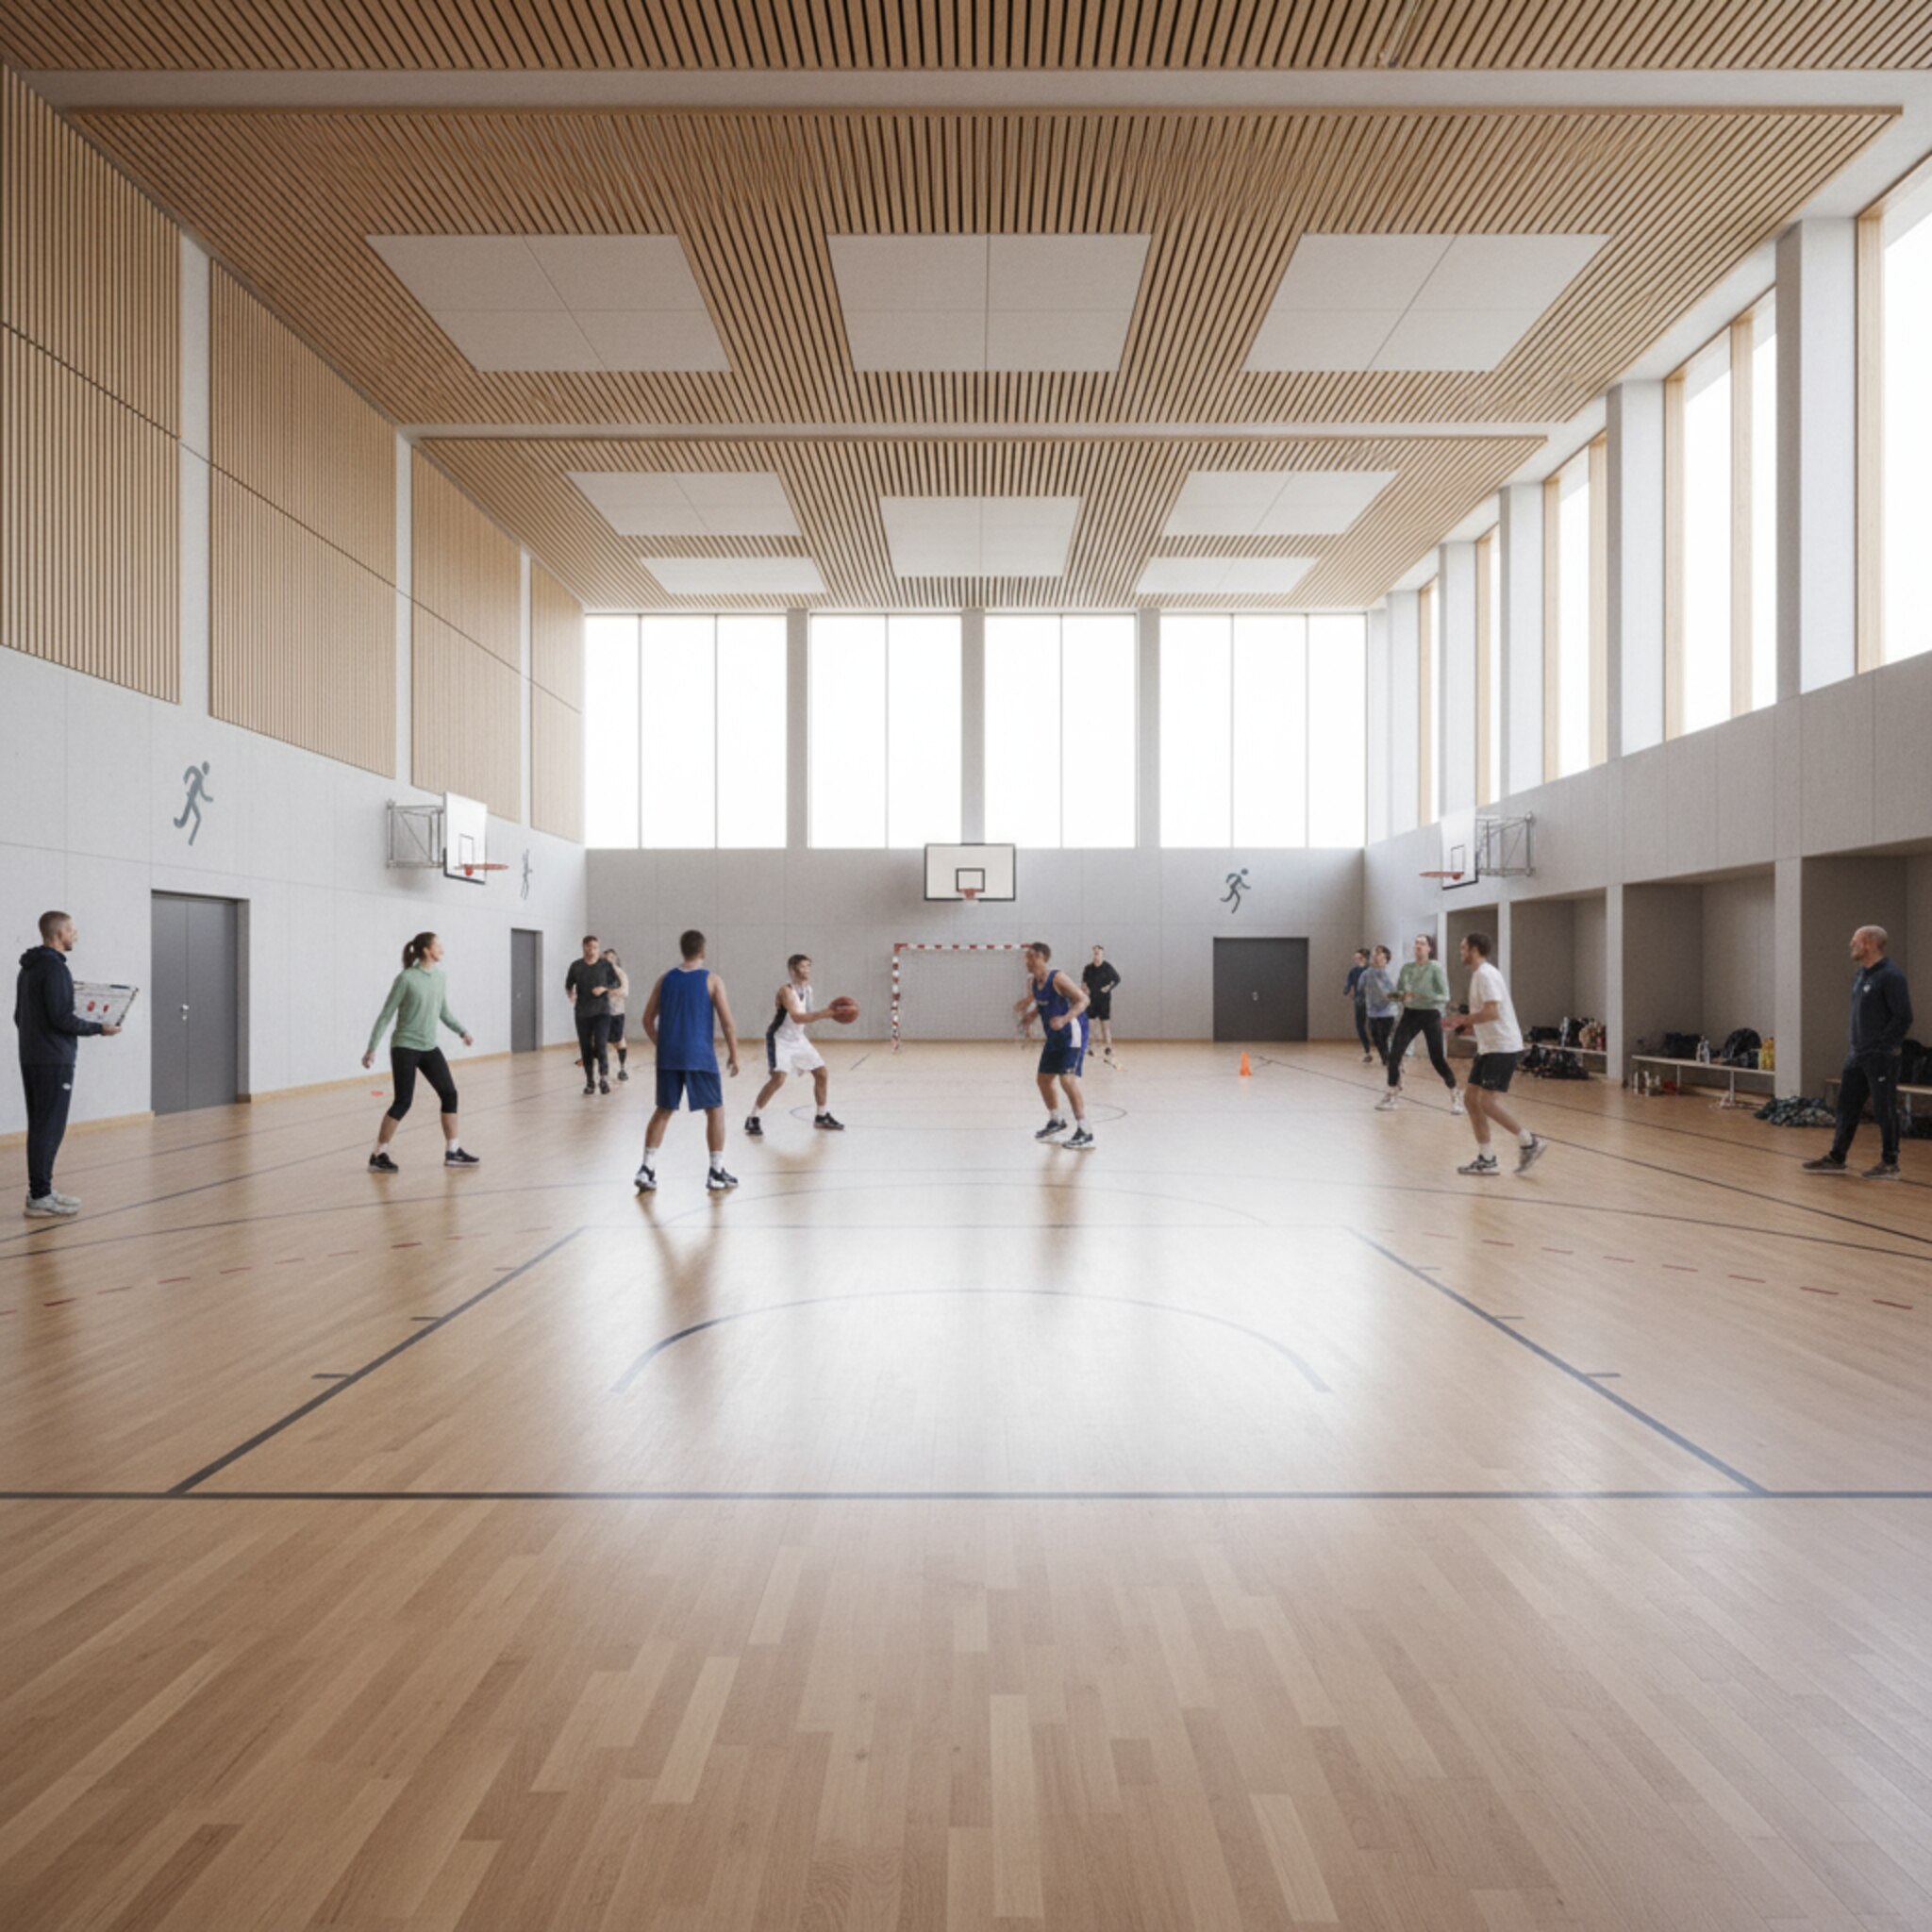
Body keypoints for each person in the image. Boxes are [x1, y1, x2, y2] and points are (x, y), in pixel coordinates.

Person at [14, 910, 122, 1218]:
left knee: (41, 1126)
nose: (76, 935)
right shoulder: (55, 969)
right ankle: (40, 1196)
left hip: (32, 1056)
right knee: (49, 1128)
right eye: (72, 930)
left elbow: (19, 1017)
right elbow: (62, 1018)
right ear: (59, 933)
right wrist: (99, 1028)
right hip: (53, 1060)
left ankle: (42, 1191)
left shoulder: (29, 969)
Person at [1804, 924, 1913, 1180]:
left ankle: (1890, 1163)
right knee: (1847, 1106)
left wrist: (1882, 1045)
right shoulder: (1860, 976)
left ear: (1870, 943)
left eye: (1856, 941)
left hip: (1880, 1056)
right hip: (1856, 1055)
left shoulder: (1891, 976)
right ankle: (1837, 1157)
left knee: (1884, 1108)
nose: (1851, 945)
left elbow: (1903, 1017)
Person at [361, 931, 478, 1172]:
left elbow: (443, 1011)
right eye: (438, 945)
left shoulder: (440, 977)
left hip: (429, 1047)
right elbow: (386, 1015)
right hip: (405, 1046)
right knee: (403, 1101)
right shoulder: (406, 978)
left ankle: (453, 1151)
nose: (442, 950)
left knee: (450, 1093)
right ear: (427, 950)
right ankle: (378, 1154)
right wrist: (371, 1048)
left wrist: (462, 1031)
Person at [637, 929, 741, 1192]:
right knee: (715, 1110)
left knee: (663, 1110)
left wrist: (663, 1045)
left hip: (668, 1056)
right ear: (703, 951)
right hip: (699, 1055)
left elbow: (647, 1020)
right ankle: (716, 1171)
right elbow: (727, 1023)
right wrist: (734, 1054)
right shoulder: (712, 980)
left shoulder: (664, 979)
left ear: (682, 950)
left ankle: (647, 1169)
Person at [1444, 933, 1547, 1176]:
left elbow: (1492, 1012)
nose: (1460, 952)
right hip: (1488, 1047)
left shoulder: (1486, 974)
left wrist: (1463, 1019)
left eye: (1463, 948)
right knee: (1471, 1099)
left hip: (1502, 1046)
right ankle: (1487, 1158)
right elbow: (1488, 1015)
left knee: (1486, 1102)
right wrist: (1468, 1027)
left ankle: (1529, 1141)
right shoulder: (1479, 975)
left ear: (1474, 950)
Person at [746, 953, 843, 1138]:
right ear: (792, 970)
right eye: (802, 966)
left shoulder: (808, 990)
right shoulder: (786, 991)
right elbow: (798, 1017)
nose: (807, 970)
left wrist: (833, 1012)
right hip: (780, 1038)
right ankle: (753, 1117)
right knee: (778, 1079)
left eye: (809, 966)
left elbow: (809, 1013)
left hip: (798, 1038)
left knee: (821, 1073)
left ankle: (821, 1116)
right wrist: (826, 1013)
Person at [1016, 941, 1094, 1150]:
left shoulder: (1057, 978)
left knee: (1066, 1079)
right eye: (1026, 957)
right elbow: (1043, 1006)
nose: (1027, 960)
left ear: (1042, 958)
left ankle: (1085, 1130)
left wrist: (1064, 1019)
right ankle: (1056, 1121)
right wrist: (1031, 1016)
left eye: (1031, 956)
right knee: (1043, 1079)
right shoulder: (1033, 982)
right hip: (1054, 1036)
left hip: (1072, 1032)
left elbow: (1084, 1000)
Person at [1377, 931, 1462, 1113]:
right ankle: (1391, 1093)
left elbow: (1445, 996)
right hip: (1410, 1014)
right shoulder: (1407, 968)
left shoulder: (1435, 968)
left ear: (1429, 948)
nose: (1418, 946)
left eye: (1422, 943)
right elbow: (1400, 993)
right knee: (1394, 1055)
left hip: (1431, 1015)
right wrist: (1394, 996)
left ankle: (1455, 1093)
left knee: (1437, 1059)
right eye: (1416, 943)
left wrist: (1422, 995)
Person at [565, 935, 619, 1096]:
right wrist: (571, 995)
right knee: (585, 1047)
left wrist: (604, 988)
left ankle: (603, 1078)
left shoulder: (604, 965)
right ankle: (590, 1081)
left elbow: (616, 982)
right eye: (589, 947)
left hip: (602, 1012)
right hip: (582, 1012)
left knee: (601, 1045)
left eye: (595, 947)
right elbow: (568, 985)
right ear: (584, 947)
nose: (592, 950)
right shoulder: (576, 966)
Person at [1081, 945, 1123, 1066]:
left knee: (1105, 1024)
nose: (1096, 955)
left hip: (1104, 1000)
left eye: (1098, 953)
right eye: (1094, 953)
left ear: (1102, 954)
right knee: (1090, 1024)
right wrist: (1083, 992)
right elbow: (1084, 983)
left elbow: (1117, 979)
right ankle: (1090, 1046)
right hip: (1092, 1000)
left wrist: (1109, 987)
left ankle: (1108, 1047)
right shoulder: (1088, 968)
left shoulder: (1107, 967)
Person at [1360, 944, 1399, 1067]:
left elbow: (1395, 993)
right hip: (1372, 1012)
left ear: (1385, 958)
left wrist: (1392, 997)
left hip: (1388, 1011)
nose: (1375, 955)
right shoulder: (1366, 973)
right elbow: (1361, 989)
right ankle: (1386, 1059)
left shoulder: (1389, 973)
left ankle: (1389, 1059)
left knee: (1384, 1037)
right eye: (1374, 953)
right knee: (1377, 1038)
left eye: (1379, 953)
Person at [604, 949, 631, 1082]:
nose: (608, 960)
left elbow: (624, 992)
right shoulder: (600, 974)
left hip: (617, 1012)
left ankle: (622, 1068)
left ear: (615, 959)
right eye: (606, 958)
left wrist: (607, 991)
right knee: (600, 1042)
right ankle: (603, 1073)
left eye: (611, 957)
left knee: (619, 1041)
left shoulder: (620, 974)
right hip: (601, 1013)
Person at [1344, 949, 1374, 1062]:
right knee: (1360, 1026)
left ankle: (1384, 1052)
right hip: (1359, 1002)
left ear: (1363, 958)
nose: (1355, 960)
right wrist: (1347, 990)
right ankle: (1367, 1051)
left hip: (1371, 1003)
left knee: (1373, 1027)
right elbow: (1348, 983)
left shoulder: (1371, 971)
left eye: (1357, 958)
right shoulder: (1353, 971)